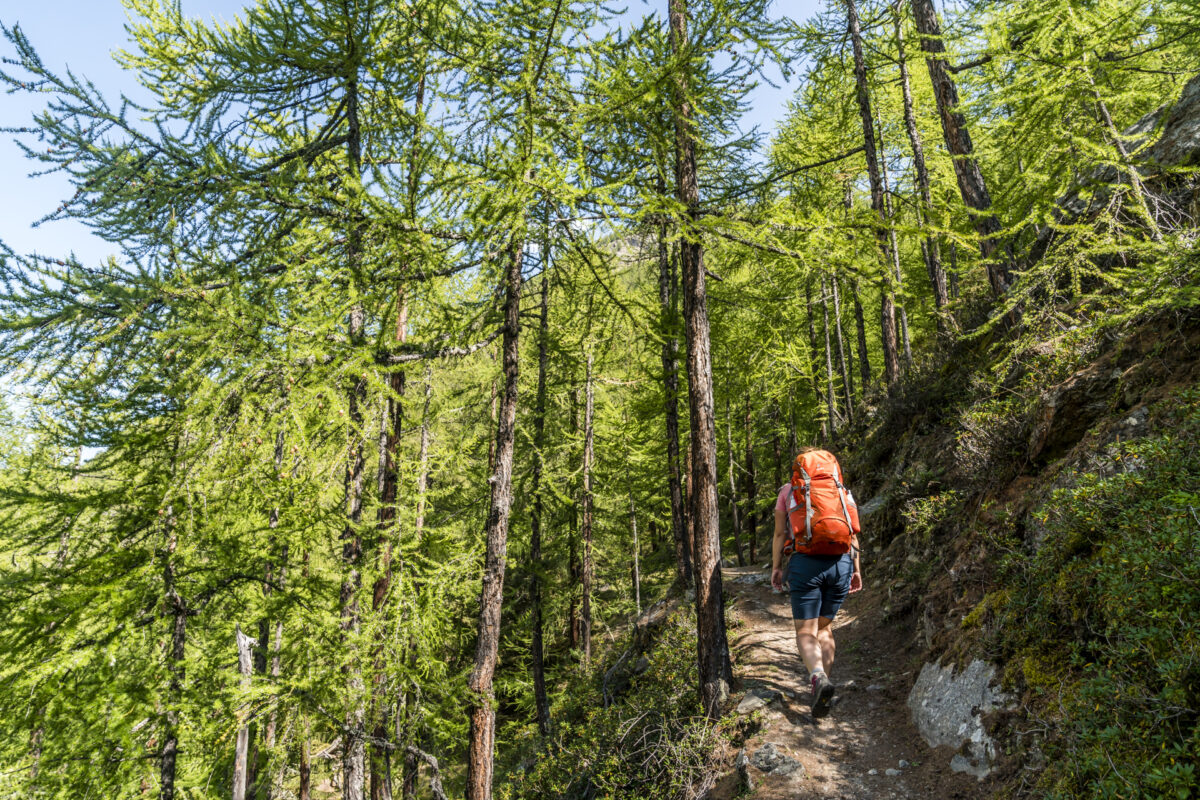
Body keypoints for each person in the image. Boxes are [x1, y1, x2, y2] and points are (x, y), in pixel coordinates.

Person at [770, 448, 862, 718]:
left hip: (805, 564)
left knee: (805, 633)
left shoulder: (789, 491)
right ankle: (823, 688)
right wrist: (856, 570)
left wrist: (776, 567)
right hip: (841, 563)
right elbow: (853, 535)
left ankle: (818, 677)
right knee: (825, 629)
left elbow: (778, 534)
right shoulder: (842, 492)